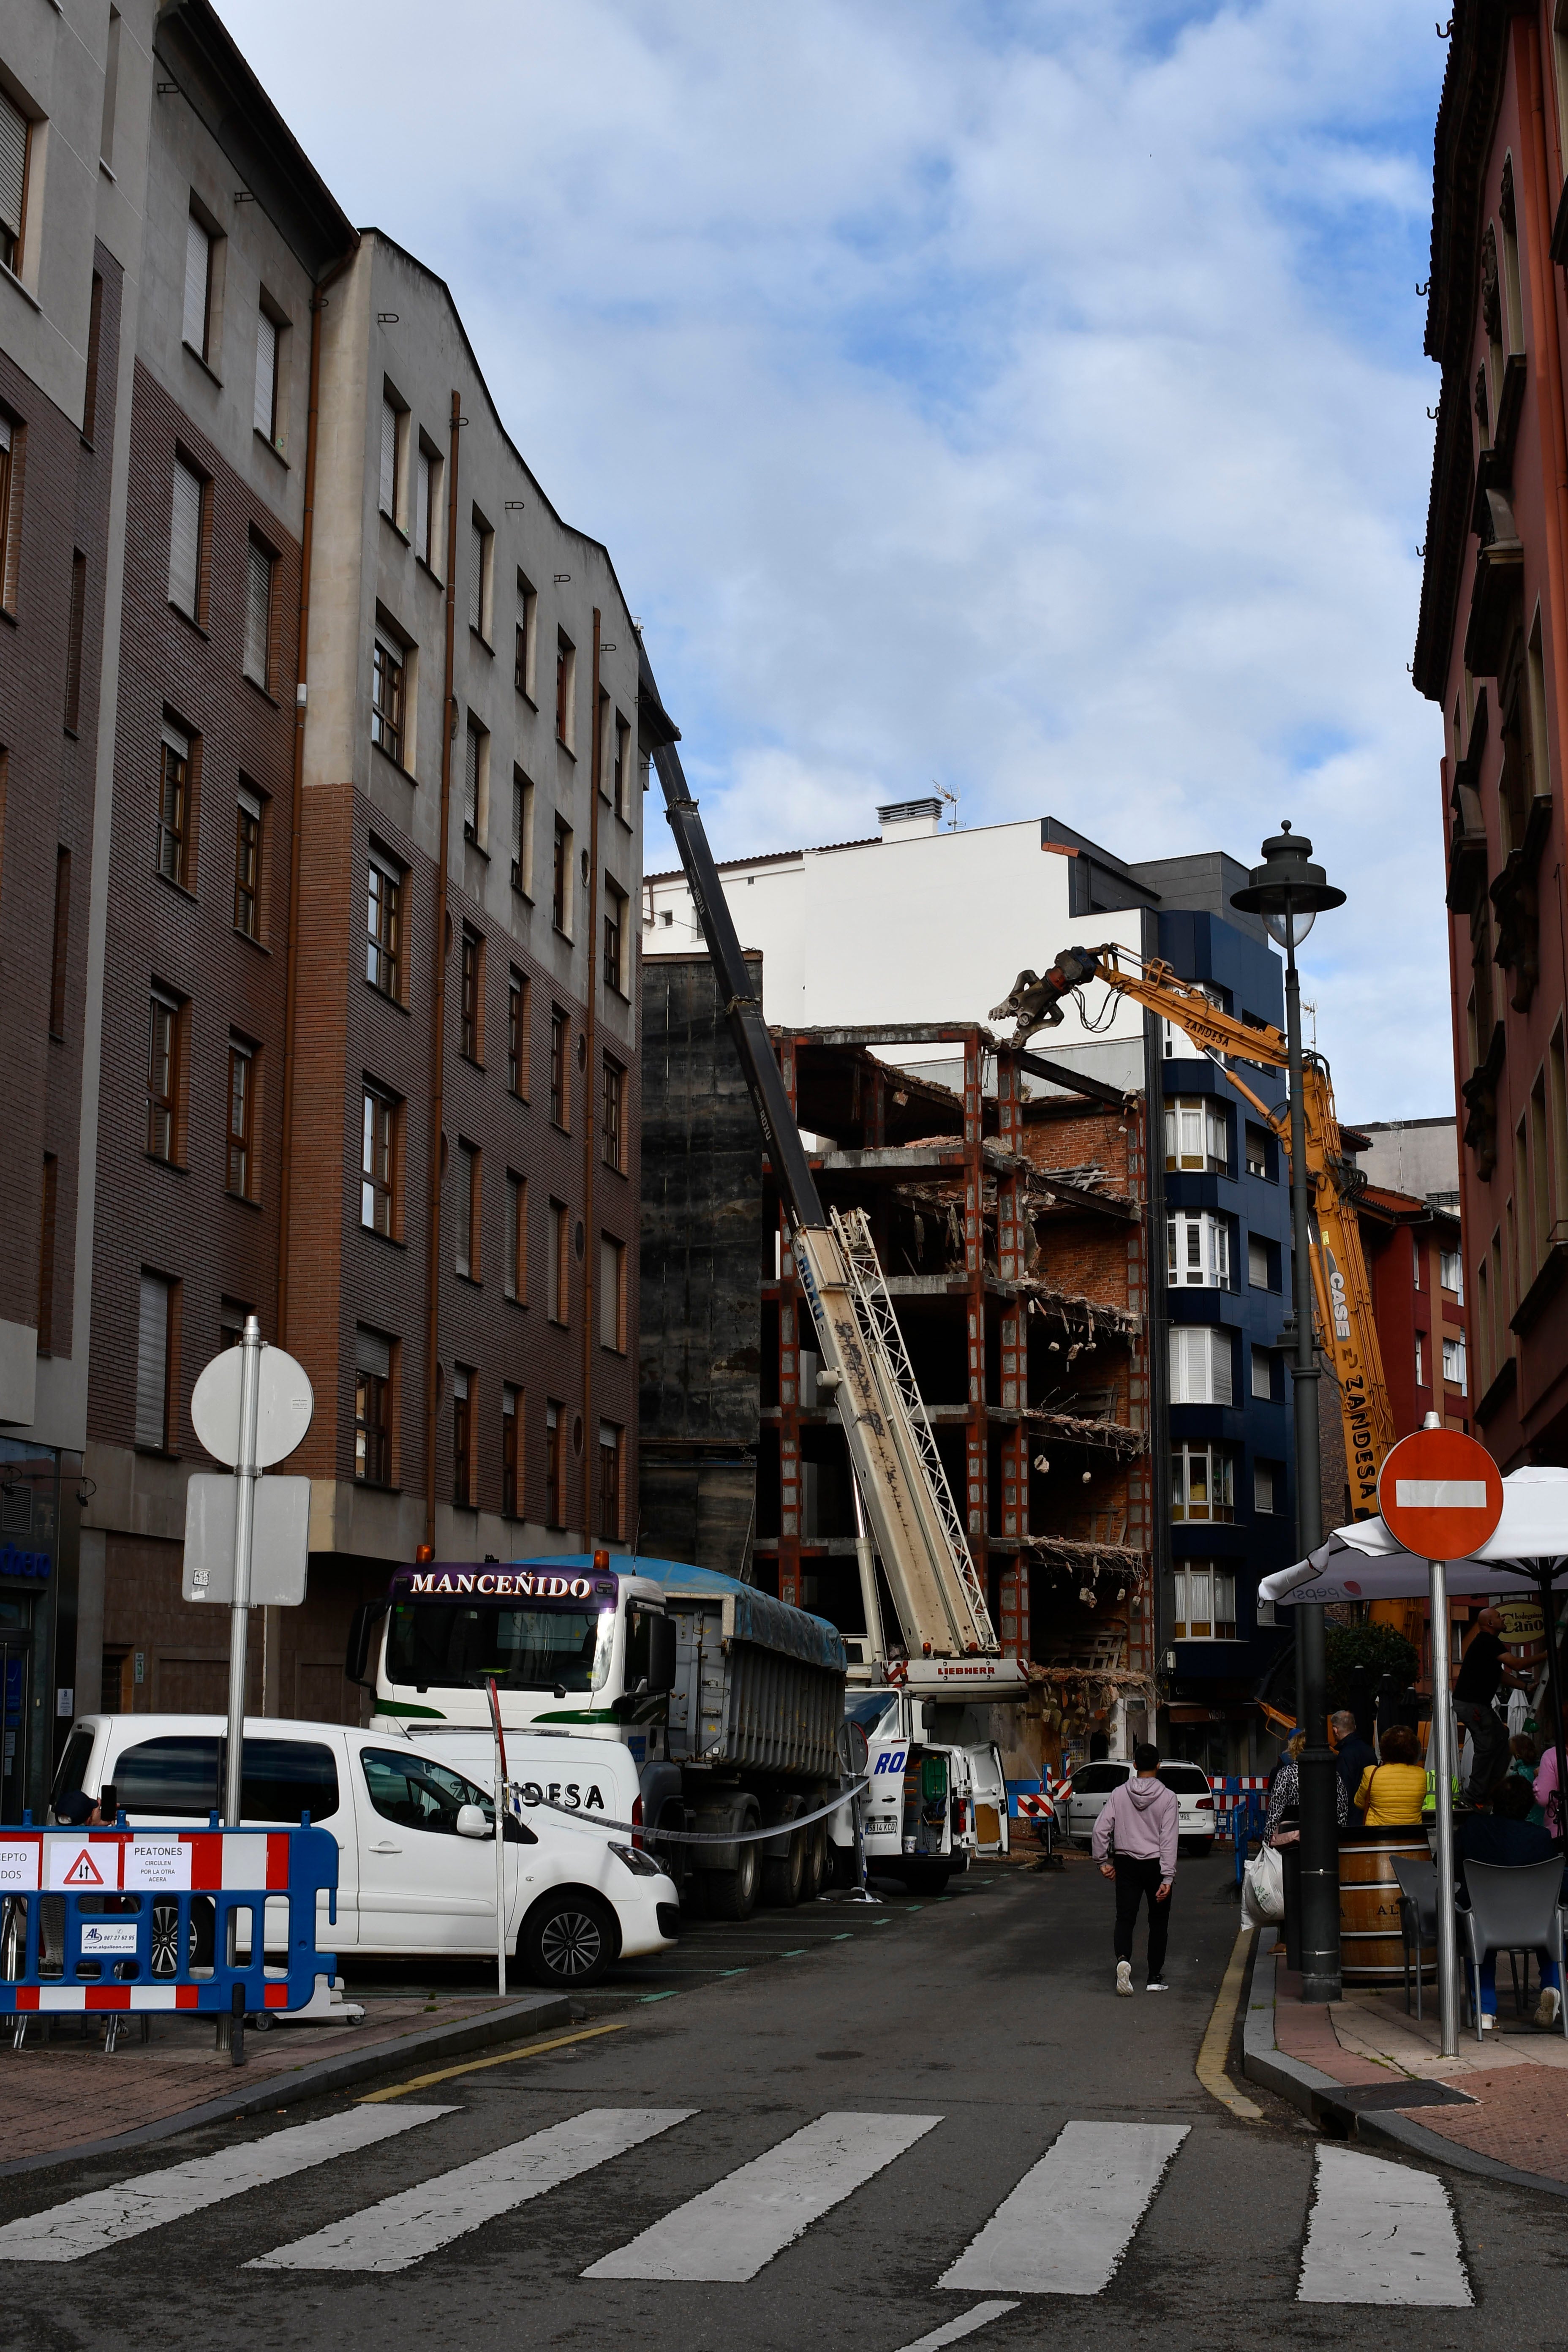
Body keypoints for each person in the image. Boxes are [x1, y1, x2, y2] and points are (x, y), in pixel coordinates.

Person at [1457, 1775, 1563, 2030]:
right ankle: (1552, 1986)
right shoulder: (1540, 1838)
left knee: (1477, 1935)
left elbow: (1443, 1864)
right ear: (1528, 1806)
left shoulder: (1473, 1827)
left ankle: (1484, 2010)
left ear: (1495, 1801)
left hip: (1485, 1921)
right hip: (1533, 1924)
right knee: (1554, 1923)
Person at [1092, 1744, 1178, 1997]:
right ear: (1159, 1765)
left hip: (1126, 1863)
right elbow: (1169, 1839)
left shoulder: (1119, 1794)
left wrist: (1102, 1861)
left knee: (1125, 1918)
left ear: (1135, 1766)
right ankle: (1154, 1977)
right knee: (1159, 1921)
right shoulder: (1168, 1798)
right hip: (1156, 1864)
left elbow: (1100, 1830)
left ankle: (1123, 1960)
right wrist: (1168, 1876)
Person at [1454, 1609, 1531, 1805]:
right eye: (1498, 1616)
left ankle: (1491, 1788)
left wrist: (1526, 1686)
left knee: (1501, 1735)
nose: (1504, 1618)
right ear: (1489, 1623)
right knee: (1487, 1745)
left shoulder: (1487, 1644)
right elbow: (1518, 1664)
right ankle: (1475, 1795)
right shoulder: (1488, 1642)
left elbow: (1500, 1675)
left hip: (1475, 1703)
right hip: (1472, 1704)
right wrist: (1547, 1655)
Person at [1266, 1733, 1350, 1846]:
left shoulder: (1286, 1774)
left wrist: (1267, 1839)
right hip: (1324, 1836)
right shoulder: (1332, 1774)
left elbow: (1275, 1811)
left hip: (1293, 1839)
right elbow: (1342, 1807)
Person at [1354, 1723, 1429, 1826]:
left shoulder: (1372, 1773)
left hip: (1378, 1835)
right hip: (1411, 1836)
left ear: (1385, 1749)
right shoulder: (1421, 1775)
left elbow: (1360, 1803)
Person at [1331, 1711, 1377, 1817]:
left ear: (1335, 1730)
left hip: (1351, 1816)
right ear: (1354, 1727)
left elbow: (1344, 1790)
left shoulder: (1345, 1755)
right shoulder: (1369, 1750)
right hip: (1369, 1814)